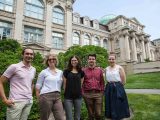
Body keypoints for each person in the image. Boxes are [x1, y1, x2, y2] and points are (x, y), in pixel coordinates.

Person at [0, 48, 36, 120]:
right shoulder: (14, 67)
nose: (29, 55)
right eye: (27, 53)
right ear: (22, 55)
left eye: (31, 54)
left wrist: (30, 96)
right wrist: (4, 99)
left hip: (28, 102)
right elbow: (0, 81)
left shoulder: (33, 69)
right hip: (16, 102)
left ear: (33, 56)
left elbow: (31, 83)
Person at [36, 54, 64, 120]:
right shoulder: (43, 72)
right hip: (46, 96)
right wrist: (39, 99)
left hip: (57, 97)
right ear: (47, 61)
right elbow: (38, 86)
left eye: (53, 59)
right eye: (50, 59)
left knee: (60, 118)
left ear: (56, 61)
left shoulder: (60, 72)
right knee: (44, 118)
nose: (52, 60)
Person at [104, 52, 130, 120]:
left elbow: (124, 80)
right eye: (110, 59)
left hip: (118, 86)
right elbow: (106, 79)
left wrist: (119, 87)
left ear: (115, 59)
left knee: (118, 102)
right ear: (108, 60)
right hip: (109, 86)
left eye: (113, 59)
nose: (111, 60)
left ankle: (119, 115)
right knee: (110, 101)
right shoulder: (106, 69)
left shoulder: (119, 68)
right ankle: (110, 115)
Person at [82, 54, 105, 120]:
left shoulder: (99, 70)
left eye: (93, 59)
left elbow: (102, 82)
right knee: (90, 114)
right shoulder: (83, 71)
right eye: (90, 59)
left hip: (98, 94)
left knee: (98, 113)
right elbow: (81, 83)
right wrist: (83, 93)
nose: (91, 60)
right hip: (87, 94)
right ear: (88, 60)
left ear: (95, 60)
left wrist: (102, 92)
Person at [63, 55, 84, 120]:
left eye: (75, 60)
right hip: (68, 97)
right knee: (69, 117)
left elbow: (81, 84)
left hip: (78, 97)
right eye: (72, 60)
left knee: (77, 117)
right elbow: (64, 84)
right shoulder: (66, 71)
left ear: (78, 61)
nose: (74, 61)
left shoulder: (81, 72)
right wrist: (65, 94)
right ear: (70, 62)